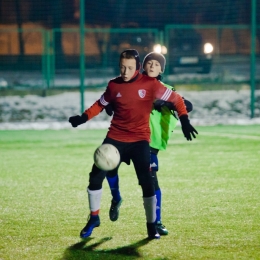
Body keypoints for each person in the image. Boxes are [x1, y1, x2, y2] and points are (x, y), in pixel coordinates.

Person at [68, 49, 198, 240]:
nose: (125, 72)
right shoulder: (114, 85)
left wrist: (185, 120)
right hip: (115, 138)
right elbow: (101, 103)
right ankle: (94, 217)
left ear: (137, 68)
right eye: (122, 67)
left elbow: (178, 99)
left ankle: (152, 225)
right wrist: (82, 118)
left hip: (140, 140)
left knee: (147, 181)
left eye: (129, 68)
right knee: (96, 176)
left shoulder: (152, 84)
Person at [104, 52, 193, 236]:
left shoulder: (167, 89)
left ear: (162, 69)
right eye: (149, 63)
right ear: (143, 67)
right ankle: (116, 198)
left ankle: (157, 221)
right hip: (125, 137)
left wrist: (166, 103)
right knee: (107, 165)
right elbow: (110, 98)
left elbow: (187, 105)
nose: (152, 66)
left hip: (149, 143)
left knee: (151, 182)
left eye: (156, 64)